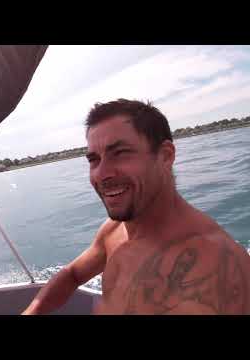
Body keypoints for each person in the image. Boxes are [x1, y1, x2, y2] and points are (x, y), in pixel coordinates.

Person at [23, 99, 250, 315]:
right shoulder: (115, 229)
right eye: (94, 159)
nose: (102, 173)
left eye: (120, 153)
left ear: (165, 156)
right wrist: (32, 311)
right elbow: (72, 275)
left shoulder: (210, 266)